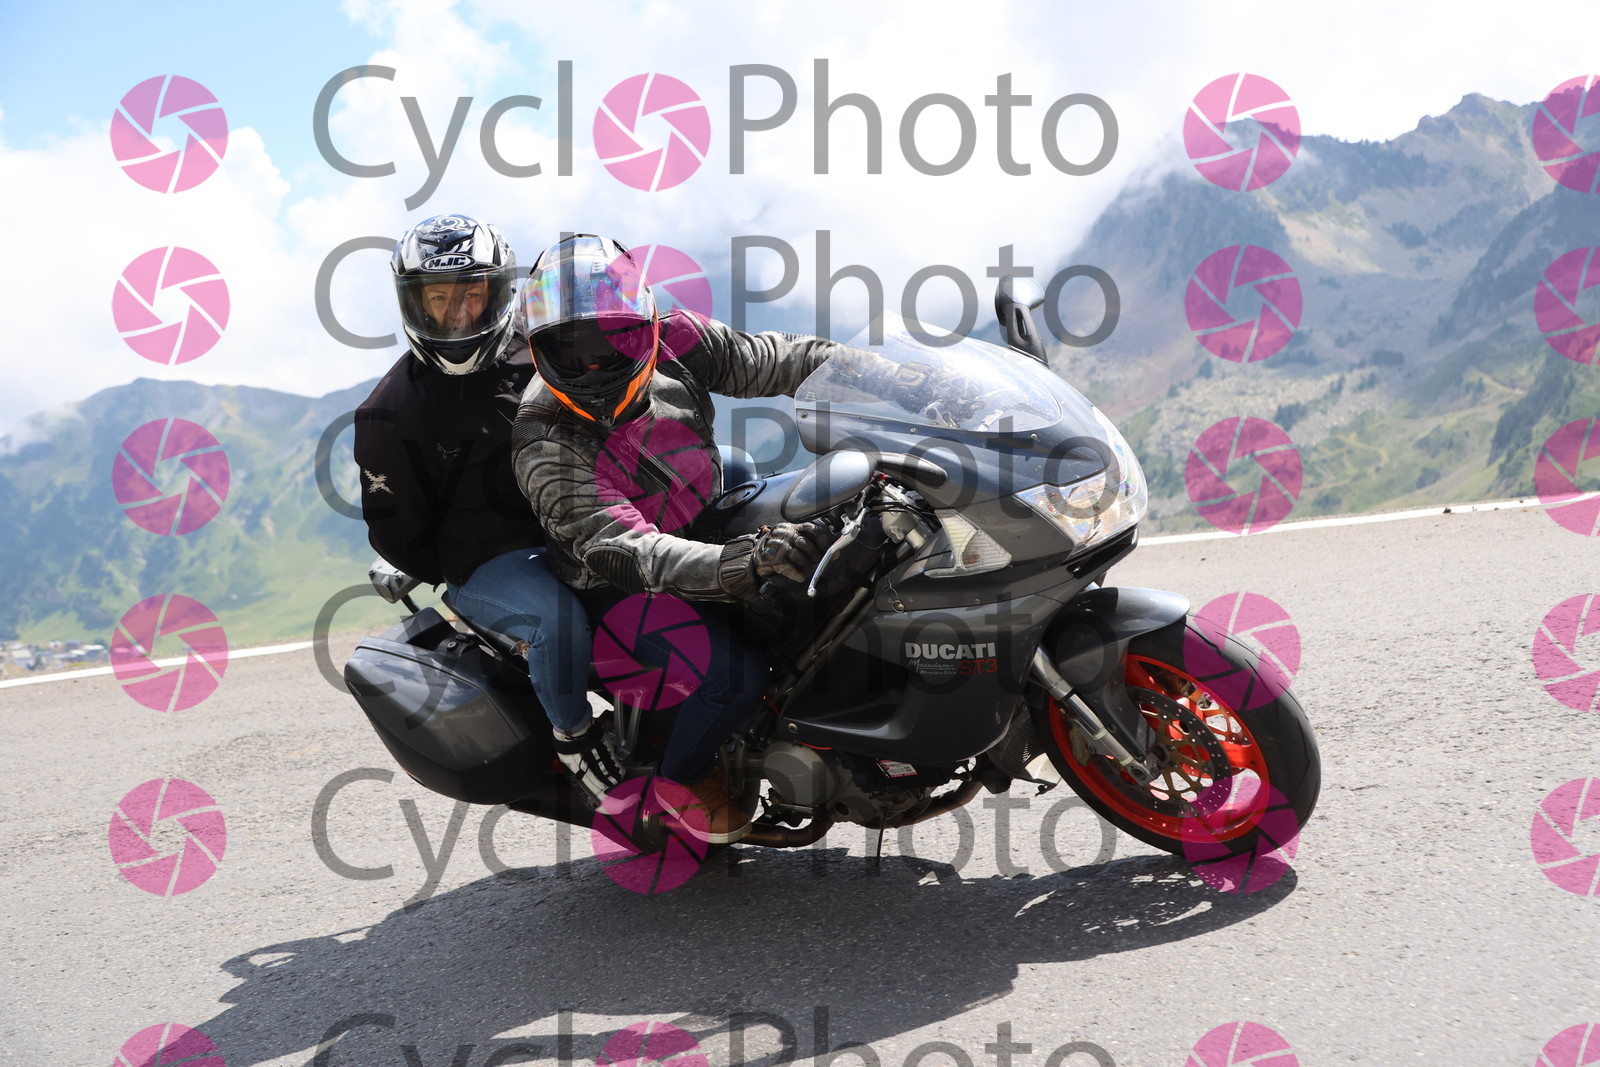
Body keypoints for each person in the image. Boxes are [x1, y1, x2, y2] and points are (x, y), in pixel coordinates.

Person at [511, 234, 850, 843]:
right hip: (616, 585)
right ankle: (677, 789)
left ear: (645, 324)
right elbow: (625, 550)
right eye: (570, 350)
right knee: (737, 676)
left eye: (613, 340)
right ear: (539, 351)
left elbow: (774, 358)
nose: (594, 366)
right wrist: (742, 561)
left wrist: (880, 376)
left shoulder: (680, 338)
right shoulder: (543, 438)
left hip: (697, 517)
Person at [353, 213, 623, 808]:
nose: (456, 314)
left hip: (583, 526)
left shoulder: (544, 353)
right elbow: (401, 536)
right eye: (438, 299)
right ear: (412, 303)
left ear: (499, 292)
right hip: (487, 565)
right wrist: (452, 559)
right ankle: (576, 740)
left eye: (471, 295)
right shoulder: (388, 415)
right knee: (555, 621)